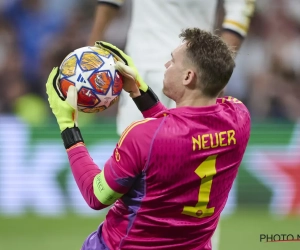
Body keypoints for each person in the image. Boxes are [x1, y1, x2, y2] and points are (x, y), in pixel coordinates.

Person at [46, 28, 251, 250]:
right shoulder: (239, 117)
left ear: (188, 76)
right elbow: (179, 133)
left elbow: (97, 196)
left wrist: (67, 125)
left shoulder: (142, 136)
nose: (166, 66)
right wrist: (138, 91)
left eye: (172, 61)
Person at [88, 0, 256, 135]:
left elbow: (110, 3)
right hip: (194, 72)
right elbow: (238, 18)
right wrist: (217, 73)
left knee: (137, 155)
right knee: (188, 155)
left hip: (146, 65)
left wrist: (92, 49)